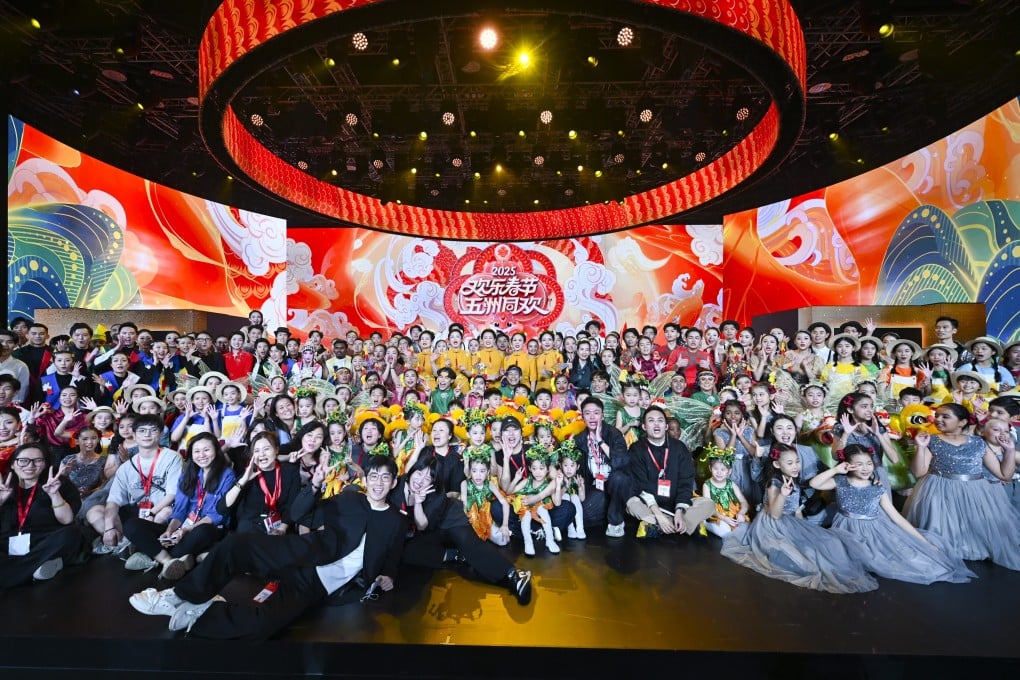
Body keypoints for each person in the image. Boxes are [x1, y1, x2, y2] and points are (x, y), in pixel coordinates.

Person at [129, 456, 406, 638]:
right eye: (374, 476)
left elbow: (392, 552)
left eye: (385, 478)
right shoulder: (349, 500)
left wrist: (389, 574)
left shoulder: (395, 520)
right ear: (366, 479)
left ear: (394, 482)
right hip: (305, 553)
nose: (379, 483)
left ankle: (199, 614)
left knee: (265, 625)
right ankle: (177, 595)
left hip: (317, 585)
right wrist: (315, 487)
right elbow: (301, 515)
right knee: (238, 544)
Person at [720, 444, 878, 593]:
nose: (795, 466)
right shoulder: (774, 483)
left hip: (789, 523)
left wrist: (805, 532)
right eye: (790, 463)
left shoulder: (791, 481)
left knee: (826, 543)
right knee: (803, 563)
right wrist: (782, 494)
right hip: (771, 527)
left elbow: (795, 510)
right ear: (777, 465)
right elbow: (775, 514)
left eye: (797, 461)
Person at [810, 445, 973, 584]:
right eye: (859, 464)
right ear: (847, 465)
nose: (866, 468)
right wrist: (836, 470)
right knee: (848, 561)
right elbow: (814, 483)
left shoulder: (877, 488)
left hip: (875, 529)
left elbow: (896, 517)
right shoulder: (841, 482)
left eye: (868, 463)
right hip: (847, 529)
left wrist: (923, 542)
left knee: (905, 558)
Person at [396, 455, 533, 606]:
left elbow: (422, 524)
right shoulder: (398, 485)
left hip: (450, 518)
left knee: (467, 542)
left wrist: (418, 503)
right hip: (431, 531)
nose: (421, 480)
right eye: (419, 473)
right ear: (412, 471)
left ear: (433, 482)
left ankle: (514, 575)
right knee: (407, 552)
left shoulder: (437, 493)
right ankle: (454, 555)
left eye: (428, 478)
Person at [904, 403, 1020, 570]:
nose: (938, 419)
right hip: (940, 489)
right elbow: (918, 472)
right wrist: (920, 448)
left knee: (972, 525)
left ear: (962, 422)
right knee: (942, 525)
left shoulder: (979, 442)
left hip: (974, 491)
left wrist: (1009, 451)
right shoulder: (932, 440)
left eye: (945, 416)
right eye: (937, 416)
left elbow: (1004, 474)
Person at [122, 433, 236, 580]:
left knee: (203, 532)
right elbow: (180, 511)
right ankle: (169, 560)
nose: (201, 455)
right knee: (132, 525)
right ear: (191, 454)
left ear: (216, 450)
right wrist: (170, 531)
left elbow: (217, 515)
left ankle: (152, 555)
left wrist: (185, 530)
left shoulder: (227, 475)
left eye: (206, 450)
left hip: (206, 528)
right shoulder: (188, 474)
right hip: (181, 529)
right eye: (197, 451)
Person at [91, 414, 182, 554]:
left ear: (160, 434)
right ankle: (121, 542)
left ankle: (141, 548)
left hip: (160, 509)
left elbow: (172, 494)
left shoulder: (172, 457)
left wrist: (152, 512)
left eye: (152, 430)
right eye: (142, 430)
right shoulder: (126, 467)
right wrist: (109, 528)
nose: (147, 434)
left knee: (165, 512)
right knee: (95, 510)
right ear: (134, 434)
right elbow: (113, 500)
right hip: (137, 510)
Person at [624, 406, 715, 538]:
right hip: (650, 506)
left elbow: (686, 482)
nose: (656, 424)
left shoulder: (679, 448)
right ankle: (684, 525)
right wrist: (659, 515)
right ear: (644, 426)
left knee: (708, 504)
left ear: (666, 426)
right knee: (631, 503)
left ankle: (660, 525)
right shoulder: (636, 449)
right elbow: (639, 485)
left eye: (660, 420)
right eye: (651, 421)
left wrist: (679, 511)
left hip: (676, 504)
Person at [0, 443, 83, 588]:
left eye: (37, 460)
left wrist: (54, 494)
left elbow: (66, 520)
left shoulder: (58, 484)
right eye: (23, 460)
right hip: (9, 541)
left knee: (71, 534)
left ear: (45, 464)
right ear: (13, 464)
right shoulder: (4, 487)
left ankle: (12, 572)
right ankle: (39, 566)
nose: (30, 465)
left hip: (45, 540)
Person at [572, 397, 630, 536]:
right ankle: (610, 509)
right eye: (587, 413)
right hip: (595, 485)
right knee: (584, 516)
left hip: (614, 482)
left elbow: (622, 461)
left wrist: (600, 441)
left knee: (619, 478)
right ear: (582, 416)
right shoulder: (579, 439)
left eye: (596, 413)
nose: (592, 417)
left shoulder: (614, 434)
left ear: (603, 415)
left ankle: (615, 521)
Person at [700, 445, 750, 538]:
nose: (719, 472)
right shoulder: (707, 485)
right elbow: (708, 508)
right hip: (715, 515)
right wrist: (724, 518)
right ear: (710, 468)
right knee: (725, 532)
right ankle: (705, 524)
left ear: (729, 471)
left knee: (745, 528)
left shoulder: (731, 484)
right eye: (716, 469)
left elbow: (744, 502)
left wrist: (741, 513)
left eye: (723, 469)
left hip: (732, 513)